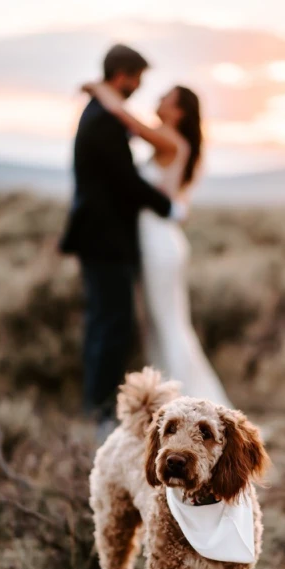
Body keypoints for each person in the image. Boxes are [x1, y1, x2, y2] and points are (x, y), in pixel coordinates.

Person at [80, 77, 231, 406]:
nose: (159, 99)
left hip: (159, 245)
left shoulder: (168, 139)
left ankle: (188, 402)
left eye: (166, 97)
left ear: (177, 112)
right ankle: (173, 401)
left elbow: (126, 119)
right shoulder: (174, 142)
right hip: (158, 240)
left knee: (166, 323)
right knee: (162, 322)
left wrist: (100, 89)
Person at [59, 44, 185, 432]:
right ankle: (100, 414)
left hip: (106, 239)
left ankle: (97, 407)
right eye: (137, 78)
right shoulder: (104, 120)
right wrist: (167, 208)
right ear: (123, 75)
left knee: (107, 323)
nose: (139, 87)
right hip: (105, 241)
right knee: (111, 325)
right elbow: (125, 183)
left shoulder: (102, 113)